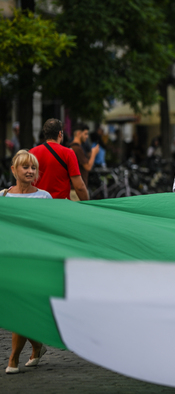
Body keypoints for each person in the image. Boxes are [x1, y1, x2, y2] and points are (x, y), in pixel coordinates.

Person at [2, 150, 50, 374]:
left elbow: (51, 230)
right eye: (25, 167)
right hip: (10, 260)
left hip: (34, 260)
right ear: (14, 170)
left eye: (33, 168)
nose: (30, 171)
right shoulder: (3, 197)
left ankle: (13, 359)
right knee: (18, 308)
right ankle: (38, 346)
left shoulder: (44, 197)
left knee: (20, 308)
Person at [29, 119, 89, 200]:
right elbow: (79, 187)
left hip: (38, 203)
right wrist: (87, 204)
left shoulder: (32, 153)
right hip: (60, 205)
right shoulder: (68, 153)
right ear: (60, 134)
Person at [69, 123, 100, 192]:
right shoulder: (77, 149)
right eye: (85, 134)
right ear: (79, 133)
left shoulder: (71, 146)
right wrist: (94, 153)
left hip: (73, 188)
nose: (87, 136)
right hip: (77, 190)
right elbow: (88, 167)